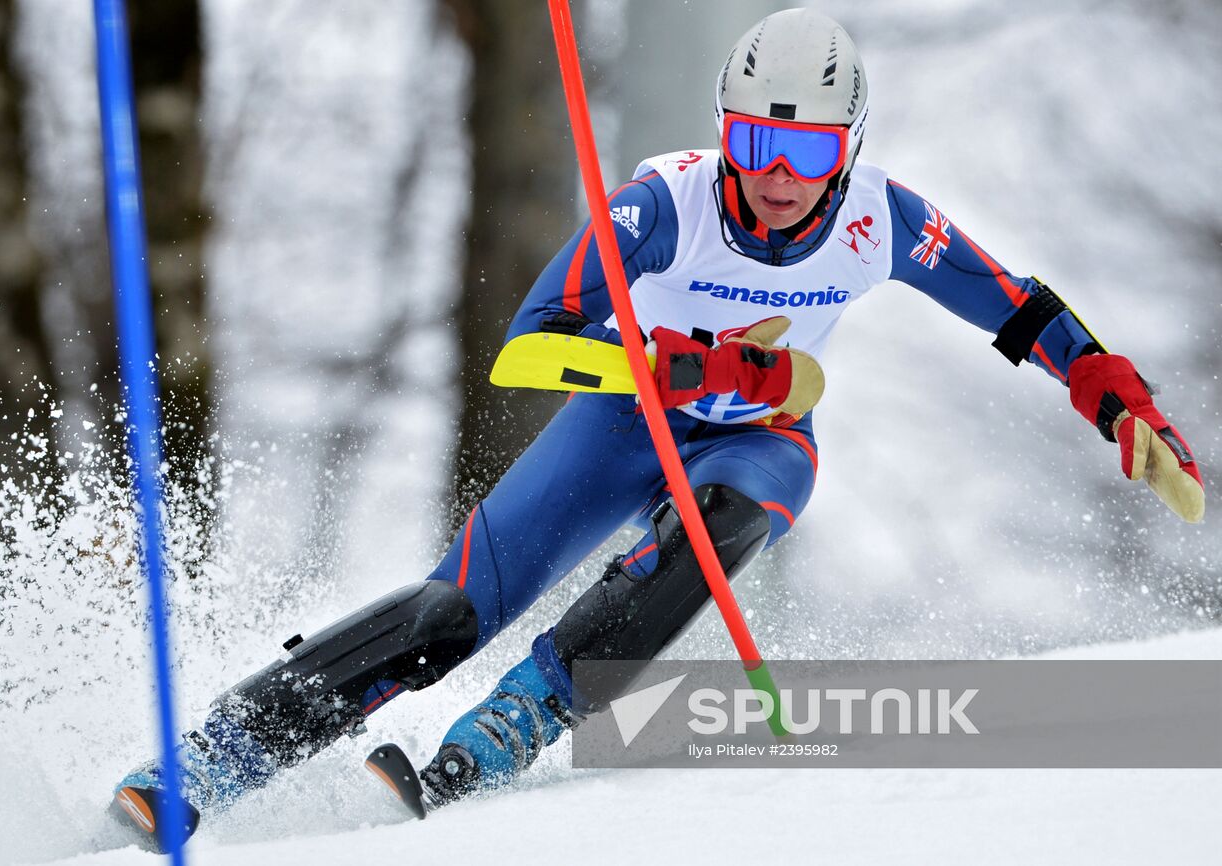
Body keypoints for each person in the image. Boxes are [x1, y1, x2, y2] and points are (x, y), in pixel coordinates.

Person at [111, 7, 1204, 843]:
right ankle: (207, 760)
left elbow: (1013, 304)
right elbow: (532, 342)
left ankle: (520, 717)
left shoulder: (881, 221)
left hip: (751, 440)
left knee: (734, 514)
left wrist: (1109, 390)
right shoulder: (663, 205)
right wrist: (691, 363)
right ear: (722, 133)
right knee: (447, 612)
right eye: (755, 146)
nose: (777, 179)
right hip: (619, 427)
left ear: (847, 154)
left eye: (810, 156)